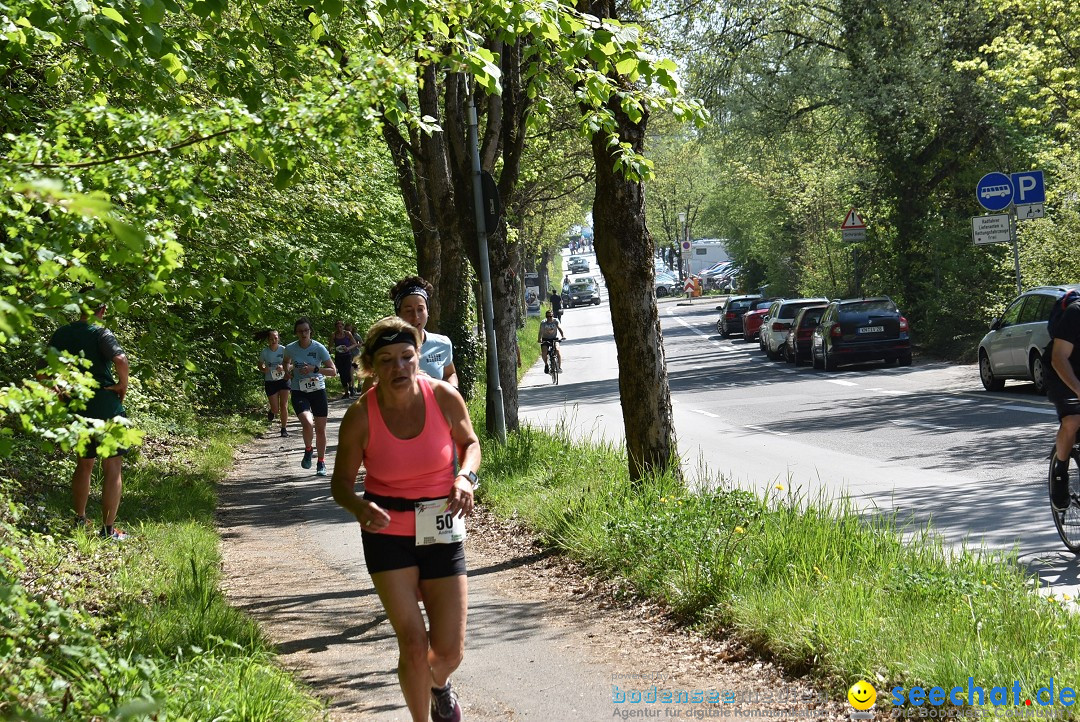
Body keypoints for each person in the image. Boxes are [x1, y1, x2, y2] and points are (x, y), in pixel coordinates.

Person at [331, 316, 480, 722]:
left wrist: (465, 478)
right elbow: (341, 484)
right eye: (386, 360)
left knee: (448, 651)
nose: (399, 368)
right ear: (371, 366)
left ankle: (438, 685)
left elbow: (470, 443)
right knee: (413, 644)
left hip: (441, 528)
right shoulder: (361, 416)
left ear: (419, 357)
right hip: (388, 535)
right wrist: (359, 507)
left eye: (406, 357)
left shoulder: (445, 397)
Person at [48, 299, 130, 540]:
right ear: (102, 310)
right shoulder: (101, 332)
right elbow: (121, 360)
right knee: (112, 466)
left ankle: (80, 519)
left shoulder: (62, 333)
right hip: (106, 407)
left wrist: (60, 391)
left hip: (78, 408)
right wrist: (122, 386)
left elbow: (43, 371)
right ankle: (107, 531)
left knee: (84, 463)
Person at [284, 317, 337, 476]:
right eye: (300, 331)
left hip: (318, 391)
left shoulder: (319, 348)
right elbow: (286, 361)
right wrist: (287, 372)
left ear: (310, 331)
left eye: (306, 330)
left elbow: (333, 371)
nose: (303, 334)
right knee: (307, 422)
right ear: (296, 333)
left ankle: (321, 463)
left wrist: (315, 369)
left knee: (320, 429)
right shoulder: (290, 348)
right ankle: (308, 449)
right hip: (299, 390)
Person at [391, 276, 458, 388]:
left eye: (420, 309)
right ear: (398, 314)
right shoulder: (386, 347)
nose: (415, 317)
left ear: (427, 311)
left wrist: (452, 389)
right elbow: (369, 393)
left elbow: (450, 373)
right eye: (408, 310)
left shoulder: (443, 343)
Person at [1049, 296, 1080, 511]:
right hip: (1065, 370)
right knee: (1072, 420)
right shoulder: (1076, 313)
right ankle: (1060, 472)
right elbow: (1058, 357)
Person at [256, 329, 290, 437]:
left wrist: (284, 367)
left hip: (284, 379)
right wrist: (263, 368)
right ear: (268, 340)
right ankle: (272, 411)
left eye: (275, 338)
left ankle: (284, 429)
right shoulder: (265, 352)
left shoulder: (284, 350)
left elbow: (293, 364)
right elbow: (260, 365)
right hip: (270, 381)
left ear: (278, 338)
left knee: (284, 405)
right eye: (271, 339)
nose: (273, 340)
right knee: (276, 409)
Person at [330, 320, 360, 398]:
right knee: (342, 374)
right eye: (337, 327)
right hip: (339, 357)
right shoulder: (334, 335)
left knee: (347, 373)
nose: (339, 328)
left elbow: (355, 344)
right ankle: (346, 392)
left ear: (343, 327)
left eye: (340, 326)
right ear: (335, 327)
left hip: (347, 355)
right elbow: (330, 346)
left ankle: (351, 387)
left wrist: (348, 348)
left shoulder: (348, 334)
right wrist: (332, 349)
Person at [538, 308, 566, 374]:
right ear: (546, 317)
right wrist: (539, 339)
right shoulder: (543, 323)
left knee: (558, 350)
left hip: (554, 338)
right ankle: (546, 365)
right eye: (547, 316)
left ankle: (559, 367)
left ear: (553, 316)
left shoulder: (556, 321)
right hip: (545, 339)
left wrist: (563, 336)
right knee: (544, 352)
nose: (549, 318)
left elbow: (559, 328)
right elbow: (540, 332)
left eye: (550, 316)